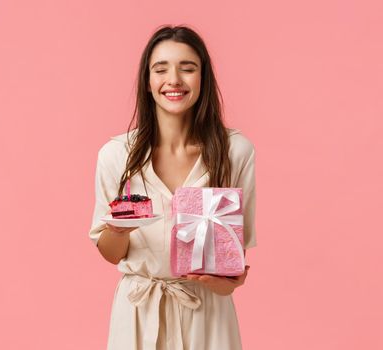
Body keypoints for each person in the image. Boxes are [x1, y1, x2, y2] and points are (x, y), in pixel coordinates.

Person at [88, 25, 257, 350]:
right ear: (147, 81)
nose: (174, 79)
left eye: (188, 68)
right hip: (138, 312)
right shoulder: (116, 155)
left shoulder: (235, 152)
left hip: (207, 314)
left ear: (203, 78)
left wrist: (224, 282)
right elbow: (110, 253)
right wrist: (120, 229)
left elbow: (230, 274)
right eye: (161, 69)